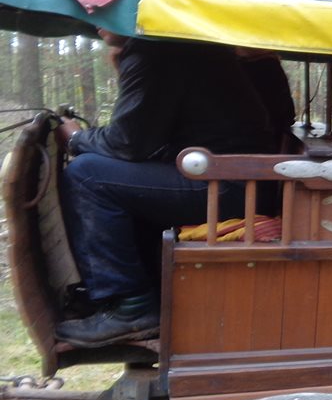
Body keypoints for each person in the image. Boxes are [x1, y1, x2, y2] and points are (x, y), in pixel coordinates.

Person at [54, 35, 279, 347]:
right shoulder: (179, 42)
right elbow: (143, 137)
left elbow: (128, 142)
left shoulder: (156, 47)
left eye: (102, 14)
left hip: (230, 185)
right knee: (102, 172)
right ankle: (117, 294)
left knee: (87, 176)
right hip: (236, 179)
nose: (98, 24)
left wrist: (75, 139)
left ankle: (132, 305)